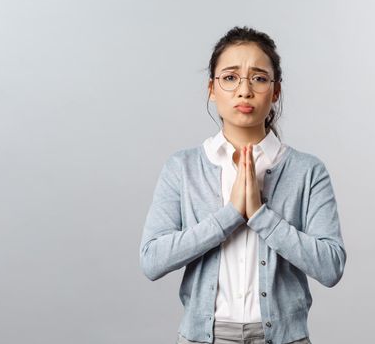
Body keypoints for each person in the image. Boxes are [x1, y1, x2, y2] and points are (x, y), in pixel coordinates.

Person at [139, 26, 347, 344]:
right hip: (203, 338)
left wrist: (261, 216)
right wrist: (231, 214)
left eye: (259, 78)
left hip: (284, 338)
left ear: (275, 91)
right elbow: (152, 260)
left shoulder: (307, 171)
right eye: (230, 77)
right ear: (212, 88)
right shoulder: (182, 168)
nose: (244, 91)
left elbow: (331, 267)